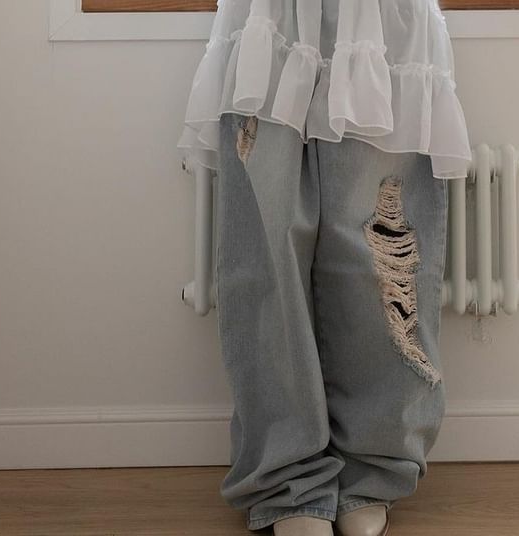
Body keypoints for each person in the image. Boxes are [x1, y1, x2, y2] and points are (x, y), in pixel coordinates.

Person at [177, 1, 472, 534]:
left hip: (382, 24)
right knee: (265, 257)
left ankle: (374, 465)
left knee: (377, 260)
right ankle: (286, 478)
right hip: (271, 18)